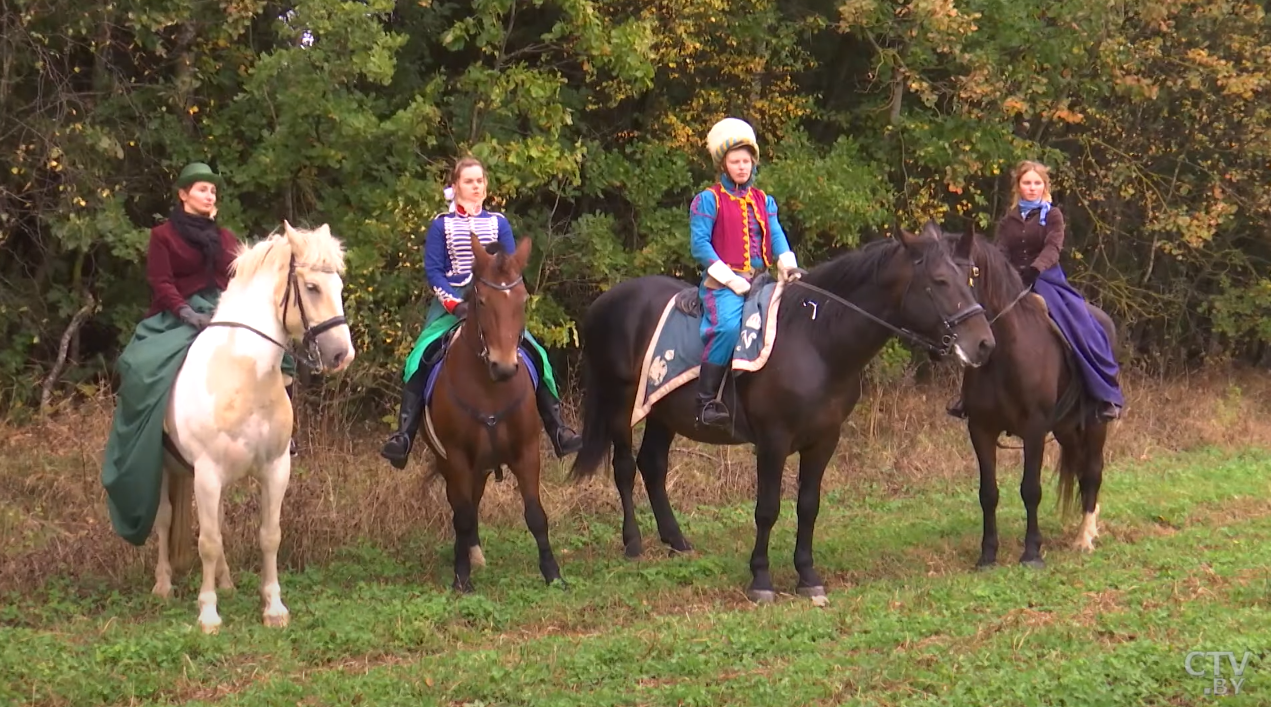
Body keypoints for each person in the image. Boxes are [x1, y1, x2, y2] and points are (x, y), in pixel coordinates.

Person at [102, 162, 299, 546]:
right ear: (183, 194)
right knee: (143, 367)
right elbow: (160, 281)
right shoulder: (163, 236)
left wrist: (229, 312)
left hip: (223, 310)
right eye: (202, 189)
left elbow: (239, 281)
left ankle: (282, 435)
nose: (209, 196)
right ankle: (148, 441)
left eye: (213, 191)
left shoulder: (225, 237)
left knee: (283, 362)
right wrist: (184, 311)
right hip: (174, 314)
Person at [380, 156, 582, 468]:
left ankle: (558, 429)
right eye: (468, 181)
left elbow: (510, 267)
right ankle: (403, 435)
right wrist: (452, 303)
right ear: (456, 186)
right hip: (452, 305)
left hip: (494, 305)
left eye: (480, 181)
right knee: (418, 356)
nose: (475, 187)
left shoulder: (498, 222)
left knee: (537, 353)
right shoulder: (441, 225)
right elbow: (434, 271)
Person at [947, 159, 1124, 422]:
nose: (1032, 188)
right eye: (1027, 183)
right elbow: (1001, 250)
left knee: (1079, 323)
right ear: (1019, 186)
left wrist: (1036, 269)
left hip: (1047, 279)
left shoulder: (1053, 215)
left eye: (1037, 183)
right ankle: (968, 397)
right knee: (982, 321)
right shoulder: (1009, 219)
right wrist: (1006, 274)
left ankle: (1102, 393)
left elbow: (1053, 248)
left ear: (1044, 186)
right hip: (1012, 281)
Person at [688, 117, 804, 431]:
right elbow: (700, 246)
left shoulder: (763, 200)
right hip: (722, 283)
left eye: (746, 161)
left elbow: (776, 235)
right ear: (723, 165)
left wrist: (787, 263)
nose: (742, 167)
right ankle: (705, 402)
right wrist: (731, 279)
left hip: (762, 279)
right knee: (726, 327)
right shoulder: (708, 199)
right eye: (735, 161)